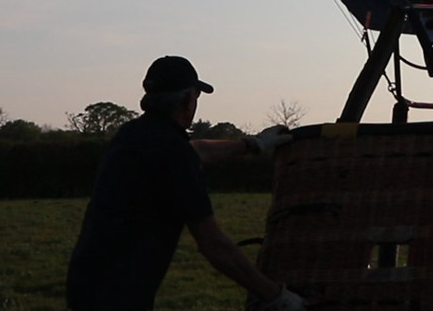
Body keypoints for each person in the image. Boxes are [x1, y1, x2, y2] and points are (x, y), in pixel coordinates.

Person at [66, 55, 305, 311]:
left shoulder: (133, 135)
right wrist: (276, 297)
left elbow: (197, 150)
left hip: (85, 283)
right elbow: (213, 245)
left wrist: (253, 144)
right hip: (122, 296)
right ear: (189, 101)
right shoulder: (174, 155)